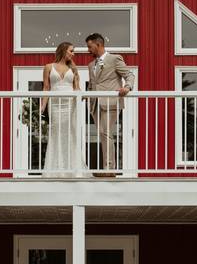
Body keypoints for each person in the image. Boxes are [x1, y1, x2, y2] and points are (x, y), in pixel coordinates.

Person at [85, 33, 135, 177]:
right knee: (102, 134)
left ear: (98, 44)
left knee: (106, 132)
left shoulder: (114, 59)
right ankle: (105, 167)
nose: (88, 50)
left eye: (90, 46)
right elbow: (93, 84)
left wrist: (127, 87)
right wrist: (86, 96)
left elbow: (129, 75)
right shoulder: (90, 65)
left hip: (110, 102)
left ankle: (109, 169)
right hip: (95, 104)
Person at [41, 42, 85, 177]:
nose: (73, 54)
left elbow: (77, 88)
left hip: (70, 105)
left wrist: (81, 96)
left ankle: (72, 169)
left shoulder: (73, 69)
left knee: (70, 133)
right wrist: (42, 107)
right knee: (56, 133)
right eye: (71, 51)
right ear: (64, 50)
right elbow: (46, 88)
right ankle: (55, 169)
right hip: (55, 105)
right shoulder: (48, 67)